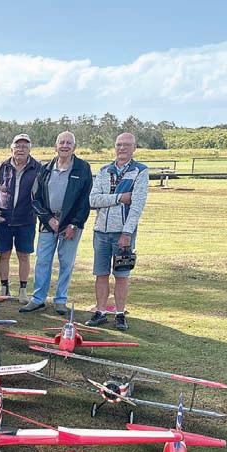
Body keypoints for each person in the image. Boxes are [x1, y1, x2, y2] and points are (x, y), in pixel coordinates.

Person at [21, 131, 92, 315]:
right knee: (42, 261)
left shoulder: (83, 168)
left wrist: (74, 224)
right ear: (55, 146)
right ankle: (38, 299)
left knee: (66, 262)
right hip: (48, 223)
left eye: (69, 143)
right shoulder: (45, 169)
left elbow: (85, 200)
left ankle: (61, 300)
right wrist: (48, 219)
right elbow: (35, 199)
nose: (65, 146)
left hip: (70, 224)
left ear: (74, 147)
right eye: (61, 142)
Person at [86, 132, 149, 331]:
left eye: (126, 145)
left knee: (121, 275)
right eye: (119, 144)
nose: (122, 148)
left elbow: (137, 205)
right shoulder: (104, 170)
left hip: (123, 232)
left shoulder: (140, 171)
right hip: (100, 231)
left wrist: (127, 233)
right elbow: (93, 200)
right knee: (101, 273)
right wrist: (120, 198)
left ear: (134, 148)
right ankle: (101, 311)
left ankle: (120, 314)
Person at [0, 133, 41, 303]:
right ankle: (4, 287)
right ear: (11, 148)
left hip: (26, 220)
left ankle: (23, 289)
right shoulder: (1, 167)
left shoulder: (38, 168)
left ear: (29, 149)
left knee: (24, 256)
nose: (21, 149)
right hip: (3, 220)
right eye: (18, 146)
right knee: (4, 255)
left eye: (24, 146)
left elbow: (40, 194)